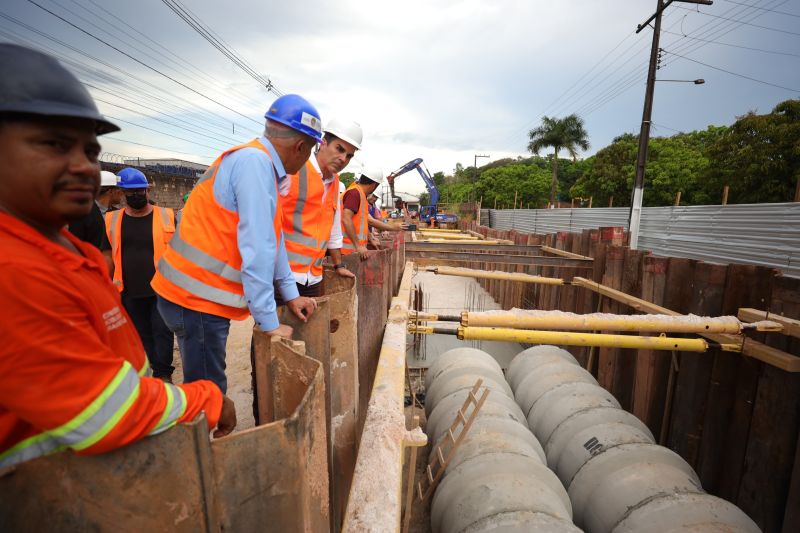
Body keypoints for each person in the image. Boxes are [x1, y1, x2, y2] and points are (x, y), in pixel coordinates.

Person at [0, 44, 234, 469]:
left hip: (90, 484)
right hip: (46, 496)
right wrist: (205, 399)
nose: (83, 167)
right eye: (53, 145)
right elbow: (103, 413)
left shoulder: (64, 249)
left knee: (158, 346)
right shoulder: (13, 270)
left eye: (90, 152)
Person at [151, 94, 321, 394]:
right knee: (208, 392)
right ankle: (205, 439)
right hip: (196, 298)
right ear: (300, 147)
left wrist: (290, 293)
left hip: (194, 295)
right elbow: (258, 250)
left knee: (207, 385)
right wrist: (269, 323)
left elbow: (273, 236)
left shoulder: (257, 162)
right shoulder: (255, 164)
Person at [105, 167, 177, 382]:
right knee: (142, 333)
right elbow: (107, 253)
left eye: (140, 191)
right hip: (128, 290)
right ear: (122, 194)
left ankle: (163, 372)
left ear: (147, 191)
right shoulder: (111, 220)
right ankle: (155, 366)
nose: (136, 195)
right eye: (131, 193)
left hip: (161, 288)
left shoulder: (167, 216)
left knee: (162, 331)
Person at [280, 117, 362, 301]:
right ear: (323, 143)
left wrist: (338, 265)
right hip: (281, 275)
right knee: (274, 327)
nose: (343, 159)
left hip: (313, 277)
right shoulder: (294, 170)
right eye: (339, 149)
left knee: (310, 329)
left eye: (349, 155)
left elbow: (333, 230)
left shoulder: (335, 184)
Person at [67, 170, 119, 251]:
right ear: (111, 191)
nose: (121, 193)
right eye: (118, 189)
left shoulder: (116, 213)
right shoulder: (82, 214)